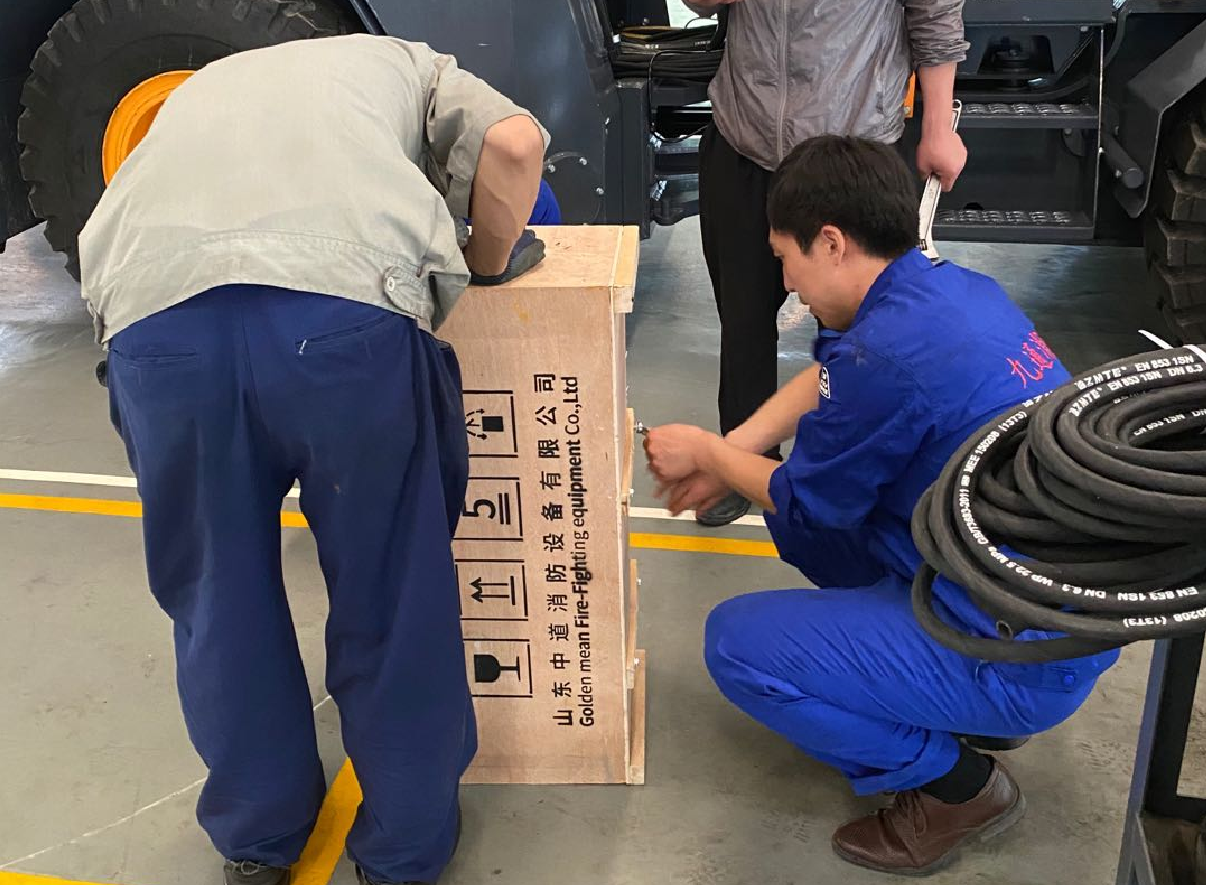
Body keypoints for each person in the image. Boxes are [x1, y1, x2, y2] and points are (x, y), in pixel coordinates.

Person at [79, 35, 549, 885]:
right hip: (338, 326)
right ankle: (403, 849)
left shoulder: (205, 85)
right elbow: (513, 145)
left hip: (157, 329)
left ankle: (258, 837)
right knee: (391, 588)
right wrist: (483, 262)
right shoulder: (412, 64)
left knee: (216, 595)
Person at [643, 136, 1119, 875]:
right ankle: (956, 699)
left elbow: (808, 500)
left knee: (738, 644)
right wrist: (735, 447)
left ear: (832, 242)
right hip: (1052, 613)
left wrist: (708, 454)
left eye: (786, 258)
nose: (788, 284)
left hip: (1020, 653)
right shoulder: (946, 291)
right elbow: (838, 371)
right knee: (835, 533)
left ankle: (958, 788)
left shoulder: (886, 353)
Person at [682, 0, 971, 526]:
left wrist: (937, 127)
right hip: (744, 140)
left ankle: (849, 468)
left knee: (859, 335)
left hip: (850, 150)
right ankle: (743, 463)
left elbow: (935, 15)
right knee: (743, 320)